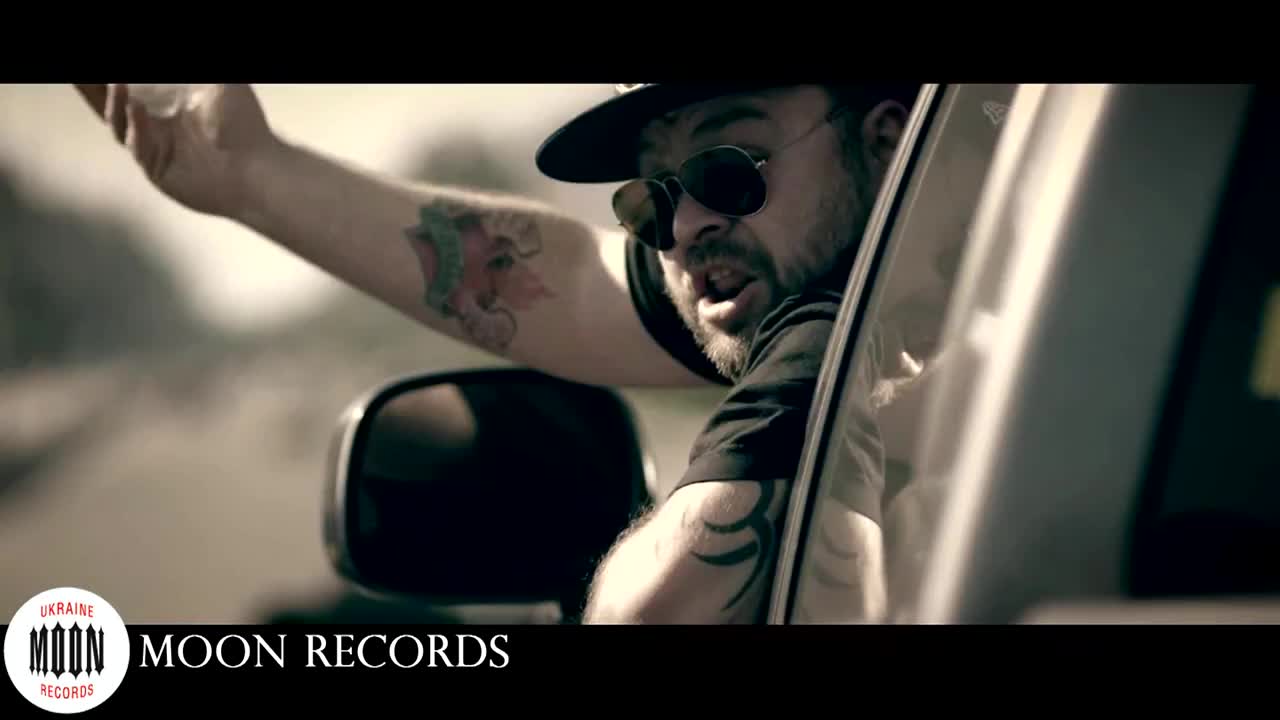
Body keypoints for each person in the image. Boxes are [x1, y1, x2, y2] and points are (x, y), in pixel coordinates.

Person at [74, 82, 918, 623]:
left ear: (886, 146)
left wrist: (813, 356)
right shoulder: (822, 280)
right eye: (652, 200)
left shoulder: (838, 337)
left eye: (731, 167)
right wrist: (253, 174)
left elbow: (658, 607)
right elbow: (566, 281)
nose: (684, 228)